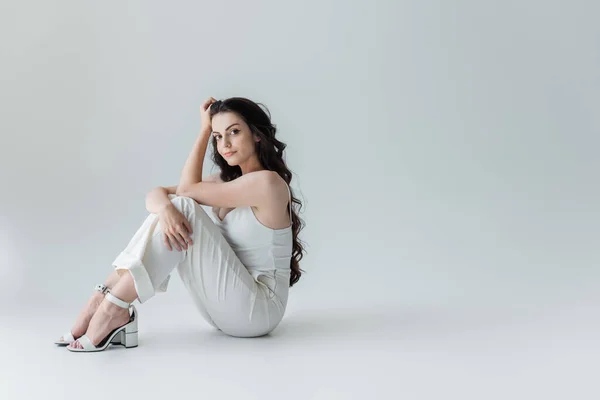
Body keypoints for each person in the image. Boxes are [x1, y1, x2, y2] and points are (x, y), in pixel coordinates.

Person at [55, 96, 306, 352]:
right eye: (217, 136)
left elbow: (185, 192)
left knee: (183, 207)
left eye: (234, 132)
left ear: (257, 135)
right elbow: (155, 194)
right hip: (222, 311)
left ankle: (112, 308)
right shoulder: (223, 182)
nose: (225, 144)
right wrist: (165, 210)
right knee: (173, 209)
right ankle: (101, 300)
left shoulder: (268, 184)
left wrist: (204, 129)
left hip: (259, 312)